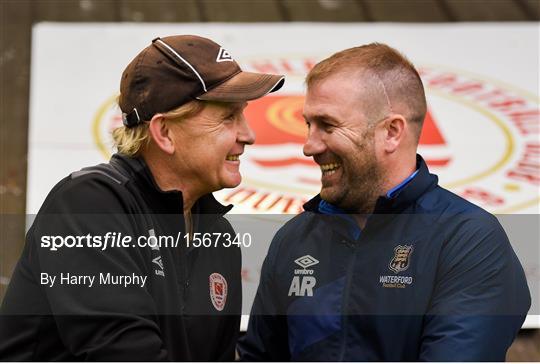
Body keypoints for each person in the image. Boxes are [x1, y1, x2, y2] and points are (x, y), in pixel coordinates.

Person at [237, 43, 530, 361]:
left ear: (392, 132)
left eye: (328, 125)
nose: (309, 146)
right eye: (309, 125)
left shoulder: (467, 238)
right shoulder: (295, 239)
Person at [0, 35, 284, 360]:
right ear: (164, 132)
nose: (248, 135)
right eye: (228, 117)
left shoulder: (219, 237)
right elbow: (123, 354)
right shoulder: (89, 204)